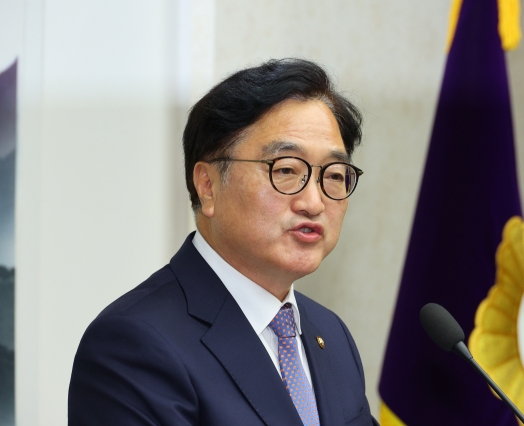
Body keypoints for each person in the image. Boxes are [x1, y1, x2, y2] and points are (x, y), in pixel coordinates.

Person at [68, 58, 379, 426]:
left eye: (334, 174)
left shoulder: (331, 335)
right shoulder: (132, 345)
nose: (313, 201)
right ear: (208, 186)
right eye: (285, 170)